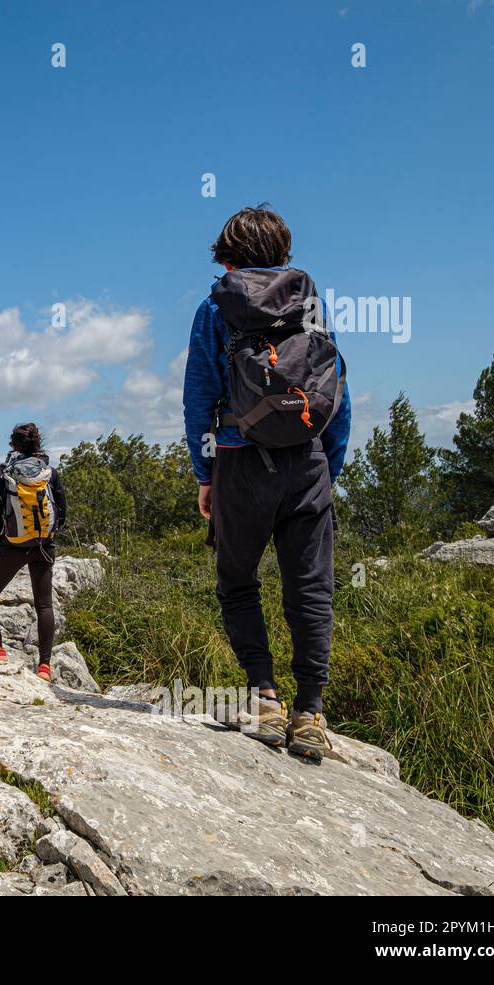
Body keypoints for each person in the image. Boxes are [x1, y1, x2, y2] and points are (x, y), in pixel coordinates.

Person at [182, 205, 351, 761]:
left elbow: (199, 398)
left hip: (239, 462)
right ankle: (311, 713)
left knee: (237, 582)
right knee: (310, 589)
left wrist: (206, 474)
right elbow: (337, 390)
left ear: (227, 257)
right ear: (283, 255)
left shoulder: (215, 308)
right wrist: (329, 468)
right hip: (307, 462)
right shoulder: (310, 305)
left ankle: (265, 698)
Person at [0, 423, 68, 682]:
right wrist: (49, 534)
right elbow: (62, 508)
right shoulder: (50, 472)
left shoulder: (5, 472)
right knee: (44, 605)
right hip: (44, 544)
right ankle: (44, 667)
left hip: (14, 546)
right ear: (38, 444)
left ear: (13, 445)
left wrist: (2, 536)